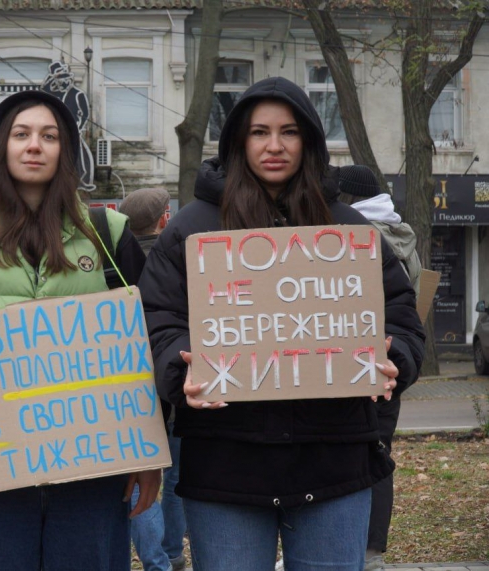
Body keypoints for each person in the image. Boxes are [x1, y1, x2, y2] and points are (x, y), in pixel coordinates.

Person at [138, 77, 425, 571]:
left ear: (308, 140)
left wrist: (393, 356)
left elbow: (401, 317)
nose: (274, 146)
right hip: (225, 469)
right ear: (237, 142)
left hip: (334, 463)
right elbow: (157, 321)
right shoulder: (190, 229)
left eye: (289, 132)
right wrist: (178, 366)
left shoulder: (348, 230)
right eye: (259, 132)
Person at [0, 89, 159, 571]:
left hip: (92, 473)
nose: (34, 146)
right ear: (0, 149)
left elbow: (146, 346)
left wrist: (148, 450)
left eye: (49, 136)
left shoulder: (109, 235)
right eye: (21, 135)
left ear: (65, 152)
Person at [338, 164, 422, 571]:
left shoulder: (357, 238)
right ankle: (372, 552)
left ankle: (361, 551)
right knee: (379, 451)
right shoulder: (403, 235)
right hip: (393, 360)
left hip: (358, 364)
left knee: (355, 453)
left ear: (348, 198)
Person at [119, 187, 187, 571]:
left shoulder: (113, 260)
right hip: (173, 380)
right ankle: (171, 555)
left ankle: (155, 560)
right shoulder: (177, 259)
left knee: (138, 477)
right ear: (164, 219)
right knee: (174, 474)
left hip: (131, 386)